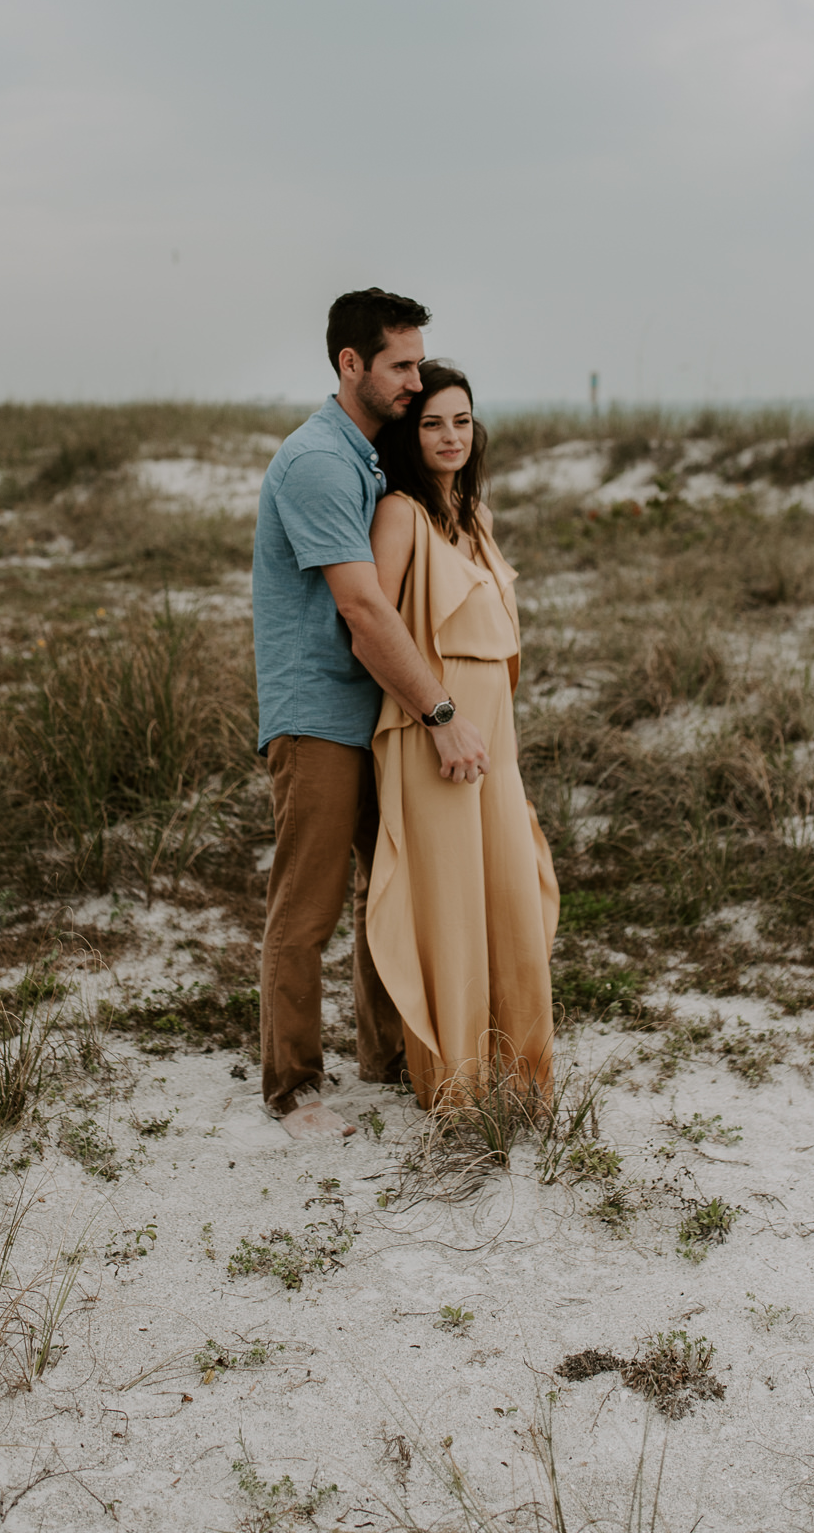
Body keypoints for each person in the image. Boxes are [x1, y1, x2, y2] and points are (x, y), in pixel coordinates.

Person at [252, 290, 493, 1139]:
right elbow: (361, 610)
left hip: (373, 711)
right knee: (307, 907)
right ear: (350, 364)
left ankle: (388, 1059)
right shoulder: (318, 462)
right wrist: (441, 712)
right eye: (399, 364)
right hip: (318, 713)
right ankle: (293, 1091)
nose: (414, 379)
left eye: (418, 362)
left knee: (386, 891)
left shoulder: (369, 459)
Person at [366, 361, 559, 1111]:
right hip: (433, 733)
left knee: (514, 894)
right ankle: (458, 1088)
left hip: (495, 742)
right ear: (410, 435)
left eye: (462, 421)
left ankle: (526, 1075)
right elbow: (375, 630)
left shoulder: (474, 518)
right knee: (450, 908)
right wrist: (440, 719)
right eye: (432, 422)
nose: (450, 436)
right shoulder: (400, 515)